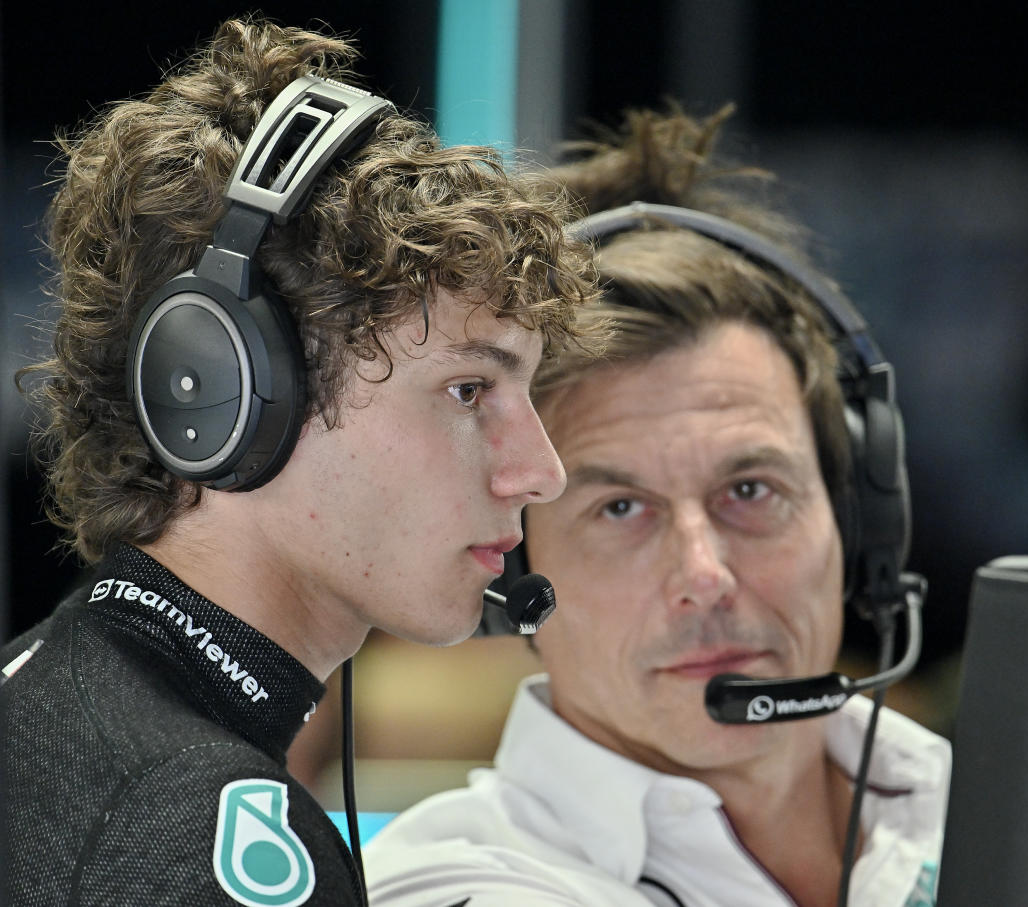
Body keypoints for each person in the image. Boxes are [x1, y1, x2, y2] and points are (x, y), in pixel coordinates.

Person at [0, 16, 600, 907]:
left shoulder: (50, 694)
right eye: (470, 391)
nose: (540, 471)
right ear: (225, 397)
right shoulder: (192, 836)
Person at [364, 106, 951, 906]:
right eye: (620, 509)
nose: (705, 575)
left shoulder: (1010, 810)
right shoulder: (454, 885)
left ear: (855, 521)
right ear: (517, 564)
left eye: (751, 491)